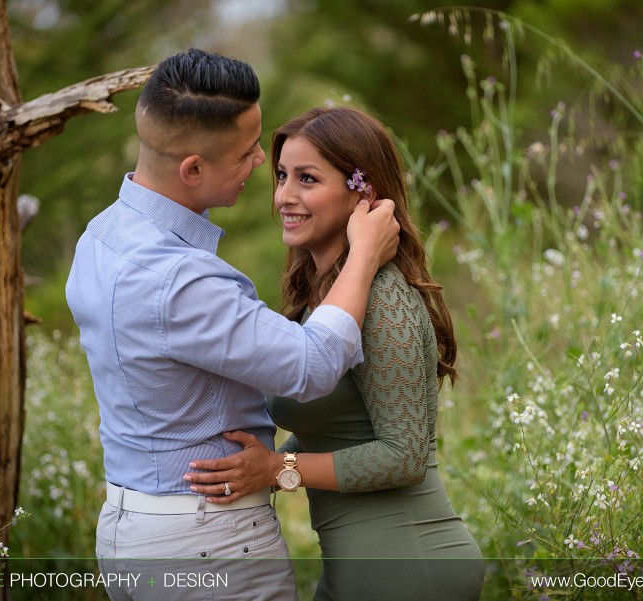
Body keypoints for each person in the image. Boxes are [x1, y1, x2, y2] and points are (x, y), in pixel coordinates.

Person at [65, 50, 399, 601]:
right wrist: (363, 256)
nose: (260, 164)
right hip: (207, 541)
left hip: (127, 530)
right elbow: (312, 366)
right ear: (192, 169)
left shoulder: (100, 237)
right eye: (247, 153)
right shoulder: (180, 279)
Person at [183, 106, 485, 601]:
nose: (285, 196)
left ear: (361, 193)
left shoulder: (385, 298)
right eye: (281, 176)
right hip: (363, 569)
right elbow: (341, 429)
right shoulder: (324, 302)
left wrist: (278, 471)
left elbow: (404, 457)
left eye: (307, 178)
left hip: (410, 566)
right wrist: (255, 468)